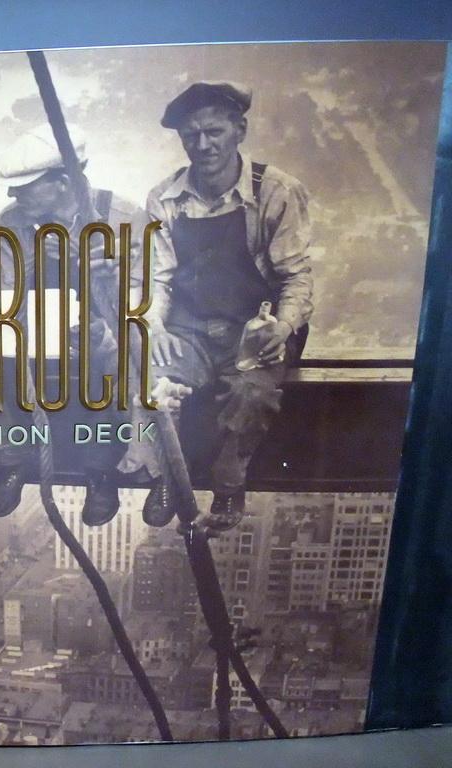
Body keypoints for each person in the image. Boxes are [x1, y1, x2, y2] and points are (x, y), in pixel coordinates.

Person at [122, 81, 313, 532]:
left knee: (251, 395)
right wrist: (154, 328)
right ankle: (166, 475)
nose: (203, 145)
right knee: (154, 383)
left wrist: (282, 329)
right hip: (189, 328)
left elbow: (297, 277)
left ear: (239, 130)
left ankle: (229, 485)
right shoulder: (165, 198)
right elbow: (154, 278)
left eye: (214, 132)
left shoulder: (276, 191)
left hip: (254, 328)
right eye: (192, 136)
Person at [0, 125, 144, 526]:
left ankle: (100, 473)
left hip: (101, 335)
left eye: (25, 186)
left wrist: (79, 262)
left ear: (61, 182)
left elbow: (141, 305)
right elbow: (5, 295)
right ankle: (10, 463)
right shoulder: (10, 223)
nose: (13, 195)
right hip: (33, 337)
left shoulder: (122, 217)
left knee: (112, 367)